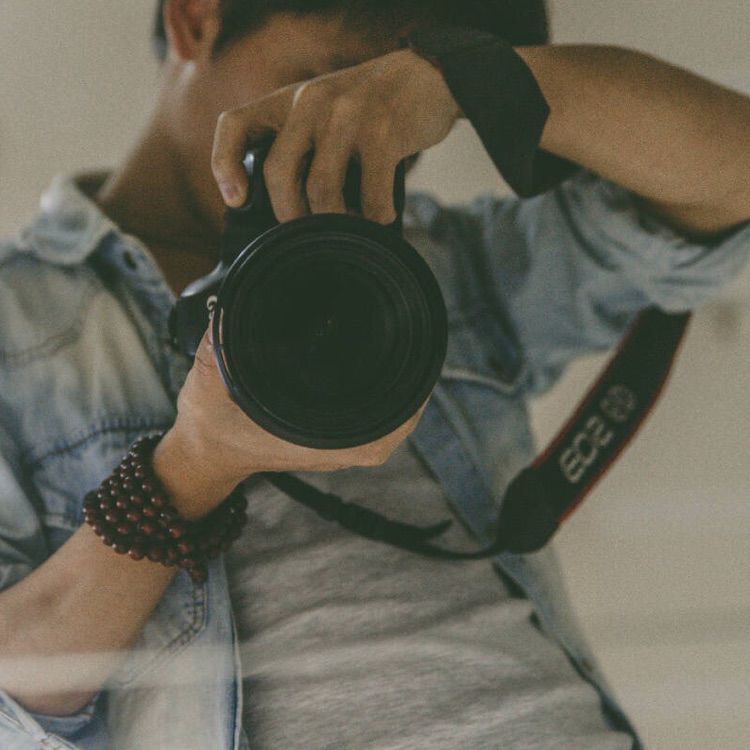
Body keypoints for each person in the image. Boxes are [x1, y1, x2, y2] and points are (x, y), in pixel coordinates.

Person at [1, 1, 749, 748]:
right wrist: (194, 465)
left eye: (391, 111)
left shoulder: (434, 267)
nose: (360, 140)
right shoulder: (14, 320)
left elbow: (733, 180)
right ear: (196, 19)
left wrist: (461, 82)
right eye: (331, 82)